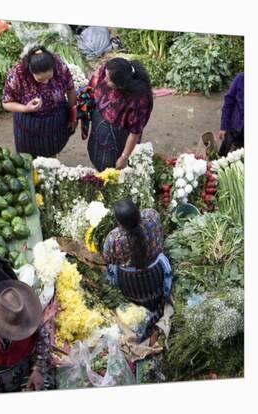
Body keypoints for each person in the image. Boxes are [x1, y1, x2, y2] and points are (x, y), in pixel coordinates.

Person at [102, 199, 172, 344]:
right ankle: (154, 306)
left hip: (131, 287)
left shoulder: (113, 239)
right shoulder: (152, 220)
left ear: (119, 222)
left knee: (111, 269)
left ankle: (138, 307)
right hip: (156, 279)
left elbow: (108, 259)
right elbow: (151, 213)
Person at [2, 46, 77, 158]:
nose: (46, 82)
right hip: (28, 124)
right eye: (40, 79)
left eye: (49, 77)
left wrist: (73, 117)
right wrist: (25, 108)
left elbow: (70, 89)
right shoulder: (17, 74)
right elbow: (6, 103)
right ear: (31, 71)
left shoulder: (59, 65)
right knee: (27, 158)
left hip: (53, 122)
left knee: (51, 152)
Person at [84, 57, 153, 171]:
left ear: (121, 86)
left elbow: (134, 132)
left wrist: (124, 157)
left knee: (113, 170)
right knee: (98, 159)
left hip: (119, 138)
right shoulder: (108, 70)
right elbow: (92, 85)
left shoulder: (138, 100)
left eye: (108, 79)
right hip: (100, 127)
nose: (104, 79)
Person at [217, 72, 244, 157]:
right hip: (235, 125)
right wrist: (223, 126)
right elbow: (229, 101)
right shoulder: (241, 78)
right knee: (221, 158)